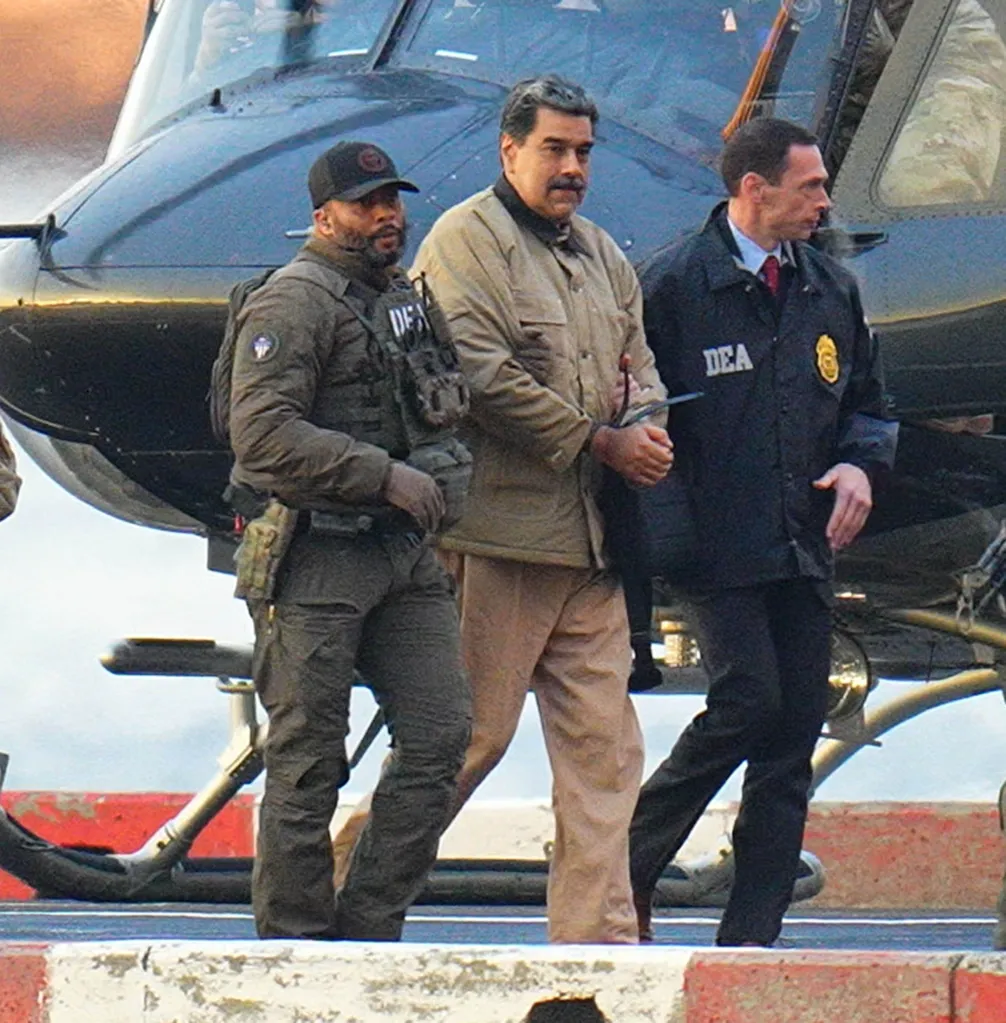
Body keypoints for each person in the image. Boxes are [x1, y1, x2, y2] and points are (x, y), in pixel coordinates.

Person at [332, 74, 673, 944]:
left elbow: (642, 368)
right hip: (499, 542)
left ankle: (598, 949)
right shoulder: (463, 243)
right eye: (554, 150)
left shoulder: (602, 254)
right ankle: (344, 892)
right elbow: (479, 375)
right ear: (509, 150)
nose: (571, 169)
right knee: (466, 744)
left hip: (593, 550)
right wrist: (599, 439)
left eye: (584, 153)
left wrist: (644, 428)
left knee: (608, 756)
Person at [629, 117, 898, 947]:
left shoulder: (829, 286)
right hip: (717, 544)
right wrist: (665, 538)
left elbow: (868, 404)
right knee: (747, 703)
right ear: (754, 188)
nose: (824, 201)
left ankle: (753, 936)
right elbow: (636, 413)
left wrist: (859, 465)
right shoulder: (676, 285)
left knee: (791, 735)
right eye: (810, 185)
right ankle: (622, 869)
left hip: (802, 545)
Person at [227, 139, 472, 941]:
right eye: (368, 203)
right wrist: (381, 474)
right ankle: (295, 945)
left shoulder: (400, 297)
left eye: (392, 201)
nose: (387, 216)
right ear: (323, 215)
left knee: (440, 739)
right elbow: (261, 437)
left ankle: (368, 927)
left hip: (403, 556)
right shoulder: (292, 303)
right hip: (318, 554)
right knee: (308, 758)